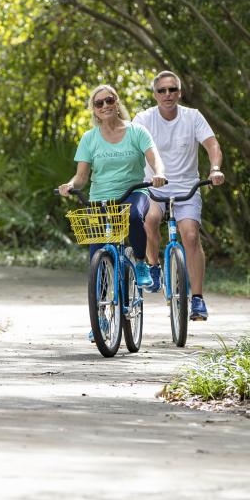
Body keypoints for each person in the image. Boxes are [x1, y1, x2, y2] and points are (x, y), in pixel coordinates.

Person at [132, 70, 225, 321]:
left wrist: (215, 169)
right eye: (162, 90)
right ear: (155, 94)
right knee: (149, 220)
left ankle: (197, 299)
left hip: (187, 187)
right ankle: (153, 266)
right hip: (153, 185)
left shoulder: (192, 117)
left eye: (172, 89)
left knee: (191, 236)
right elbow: (131, 147)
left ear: (180, 93)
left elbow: (212, 145)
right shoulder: (144, 118)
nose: (167, 94)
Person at [58, 84, 167, 294]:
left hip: (134, 191)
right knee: (96, 260)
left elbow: (156, 160)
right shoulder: (89, 138)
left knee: (134, 216)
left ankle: (141, 264)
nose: (105, 105)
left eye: (109, 100)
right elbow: (81, 177)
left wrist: (159, 174)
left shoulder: (137, 131)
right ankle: (100, 321)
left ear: (116, 102)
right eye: (99, 103)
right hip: (100, 197)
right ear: (94, 109)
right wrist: (71, 185)